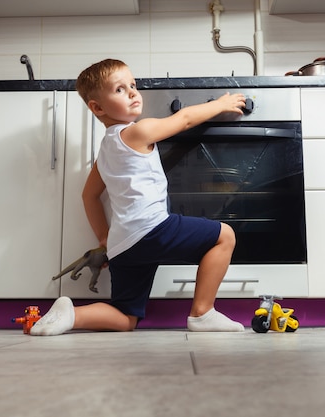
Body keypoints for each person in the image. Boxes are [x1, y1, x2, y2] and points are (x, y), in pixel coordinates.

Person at [30, 58, 246, 336]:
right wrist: (220, 104)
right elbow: (184, 119)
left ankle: (72, 314)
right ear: (97, 107)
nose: (133, 92)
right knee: (224, 235)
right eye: (120, 89)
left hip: (123, 245)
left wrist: (105, 239)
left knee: (126, 316)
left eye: (133, 85)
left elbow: (89, 196)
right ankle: (202, 313)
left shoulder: (105, 151)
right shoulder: (138, 131)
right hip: (152, 229)